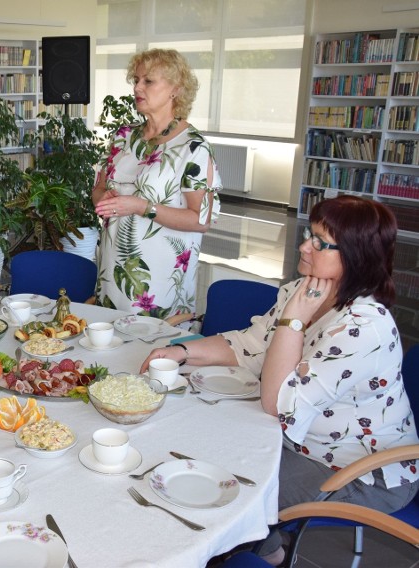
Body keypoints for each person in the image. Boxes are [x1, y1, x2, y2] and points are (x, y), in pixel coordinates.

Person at [141, 196, 418, 563]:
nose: (304, 245)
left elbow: (277, 403)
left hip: (356, 469)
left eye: (320, 242)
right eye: (310, 234)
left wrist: (293, 322)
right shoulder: (303, 292)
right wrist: (182, 351)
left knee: (225, 494)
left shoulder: (364, 327)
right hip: (296, 439)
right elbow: (251, 344)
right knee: (201, 451)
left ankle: (258, 551)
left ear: (354, 255)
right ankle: (263, 545)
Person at [93, 48, 222, 319]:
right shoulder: (124, 136)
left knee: (150, 354)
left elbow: (201, 220)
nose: (137, 87)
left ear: (175, 89)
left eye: (148, 81)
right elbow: (98, 189)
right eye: (136, 80)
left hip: (159, 283)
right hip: (113, 269)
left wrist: (141, 206)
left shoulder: (194, 147)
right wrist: (105, 198)